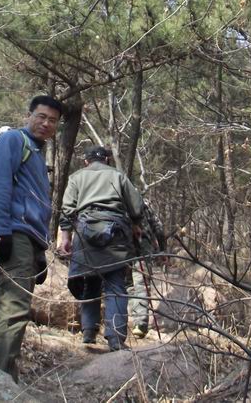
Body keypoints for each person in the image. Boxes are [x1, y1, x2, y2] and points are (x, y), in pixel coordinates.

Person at [0, 94, 63, 381]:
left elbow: (36, 208)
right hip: (11, 233)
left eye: (52, 120)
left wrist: (40, 252)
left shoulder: (37, 154)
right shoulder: (14, 140)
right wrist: (2, 233)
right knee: (13, 311)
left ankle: (1, 380)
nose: (45, 123)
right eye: (41, 116)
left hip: (25, 238)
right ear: (29, 115)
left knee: (4, 310)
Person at [58, 145, 144, 351]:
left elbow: (68, 209)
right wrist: (135, 224)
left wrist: (65, 238)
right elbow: (136, 206)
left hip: (85, 232)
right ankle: (115, 339)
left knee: (91, 281)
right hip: (116, 233)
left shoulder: (77, 177)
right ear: (106, 160)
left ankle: (88, 333)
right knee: (115, 285)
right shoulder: (118, 175)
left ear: (86, 161)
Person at [128, 199, 167, 338]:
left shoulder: (113, 197)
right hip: (142, 246)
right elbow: (159, 227)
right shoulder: (141, 201)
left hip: (121, 246)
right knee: (141, 283)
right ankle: (140, 323)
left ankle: (123, 321)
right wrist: (162, 250)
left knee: (128, 284)